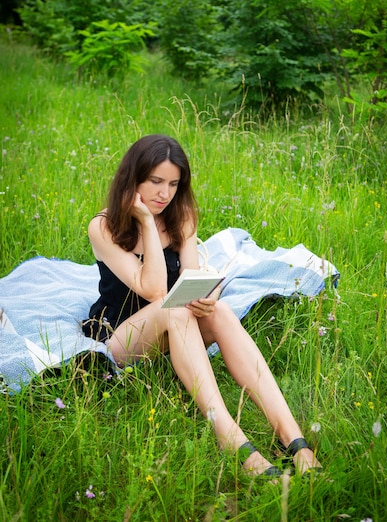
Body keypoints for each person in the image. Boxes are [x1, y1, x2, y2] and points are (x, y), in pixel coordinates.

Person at [82, 134, 321, 478]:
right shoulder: (103, 226)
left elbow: (190, 280)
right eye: (155, 182)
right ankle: (232, 439)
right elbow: (153, 289)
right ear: (133, 178)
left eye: (173, 184)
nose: (164, 194)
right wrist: (148, 223)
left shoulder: (181, 216)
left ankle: (293, 439)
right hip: (122, 336)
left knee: (220, 312)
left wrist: (207, 296)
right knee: (171, 307)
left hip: (175, 329)